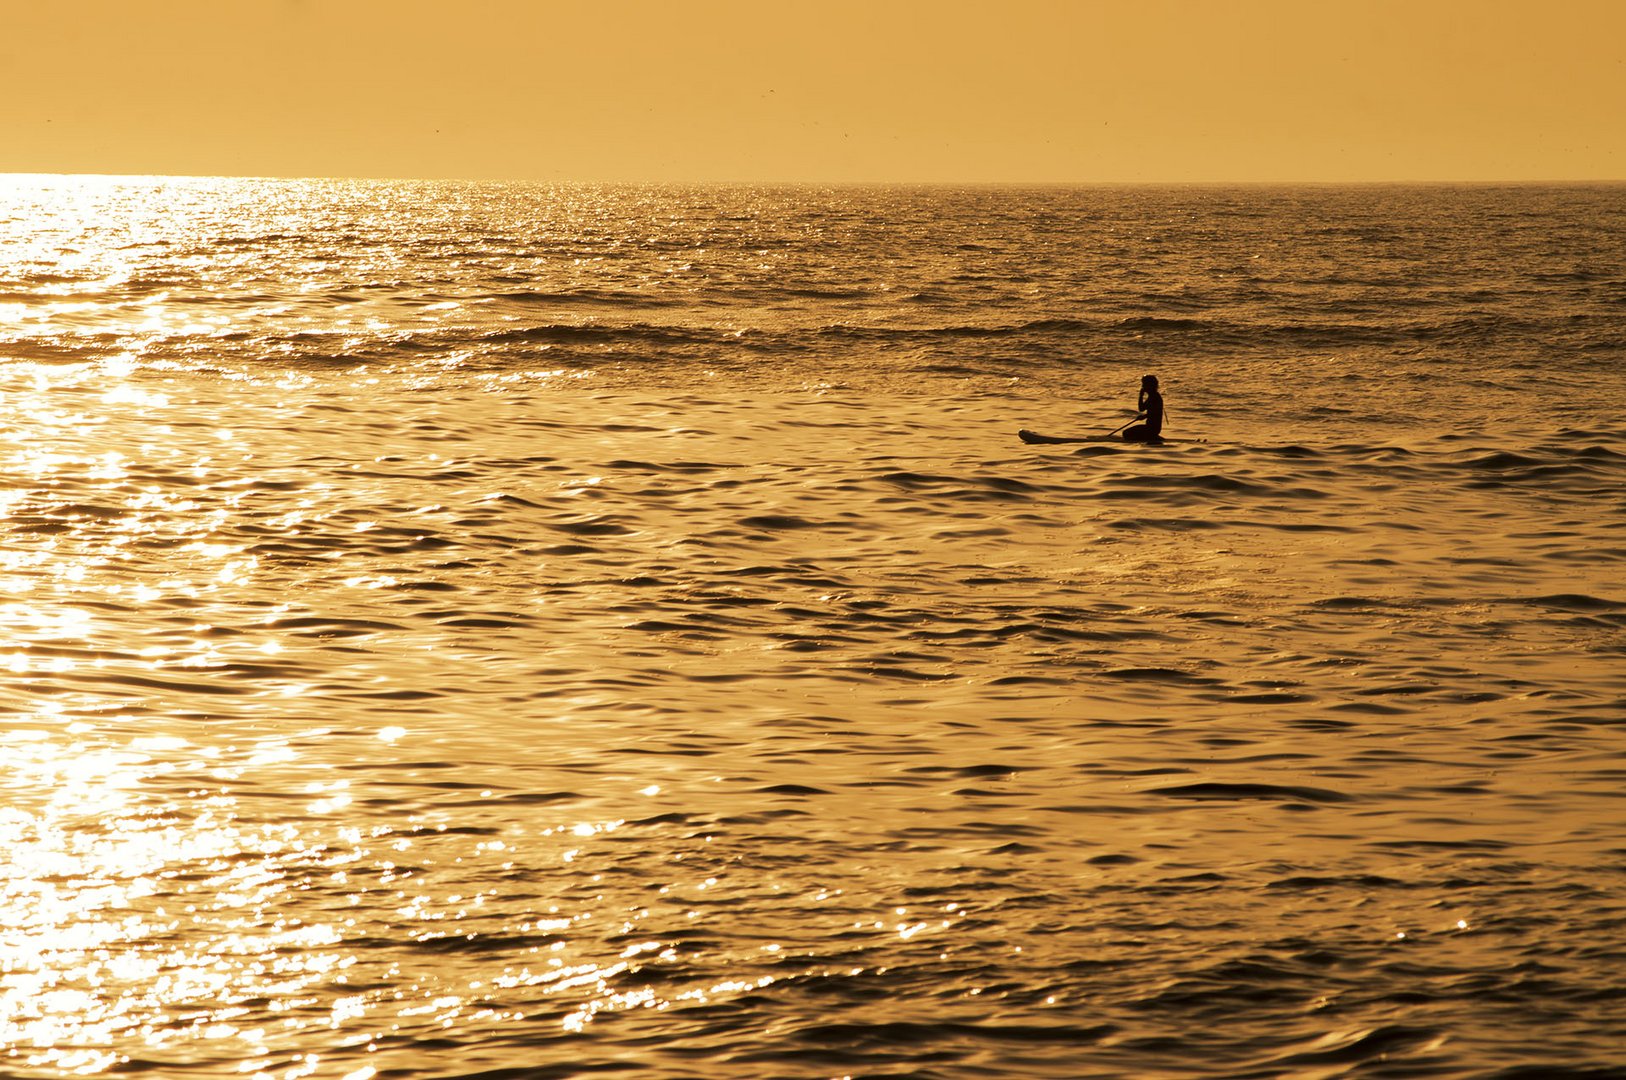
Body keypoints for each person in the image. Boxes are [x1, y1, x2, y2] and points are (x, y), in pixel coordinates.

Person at [1121, 374, 1164, 443]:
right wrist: (1141, 396)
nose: (1142, 386)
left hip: (1152, 428)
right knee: (1127, 433)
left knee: (1126, 433)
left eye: (1144, 384)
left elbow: (1155, 413)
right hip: (1151, 427)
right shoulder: (1152, 396)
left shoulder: (1155, 397)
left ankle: (1150, 437)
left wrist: (1144, 416)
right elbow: (1141, 408)